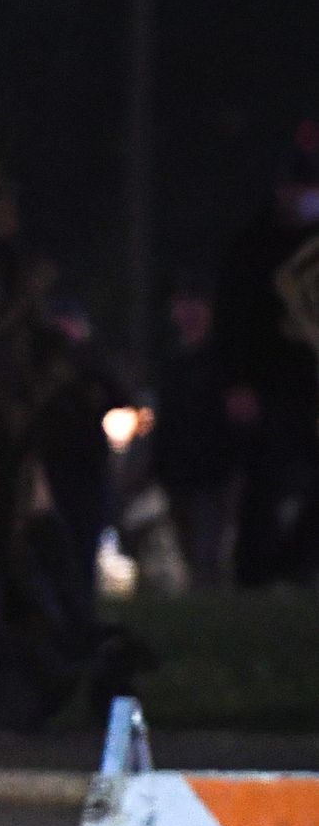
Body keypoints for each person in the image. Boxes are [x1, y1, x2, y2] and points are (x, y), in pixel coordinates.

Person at [214, 145, 319, 587]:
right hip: (268, 384)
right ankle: (255, 575)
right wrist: (236, 382)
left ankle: (296, 563)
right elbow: (232, 320)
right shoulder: (251, 246)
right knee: (264, 484)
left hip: (311, 382)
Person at [154, 286, 239, 588]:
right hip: (180, 471)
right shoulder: (173, 362)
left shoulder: (223, 359)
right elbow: (165, 418)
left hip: (215, 468)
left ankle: (211, 599)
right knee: (189, 545)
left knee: (208, 548)